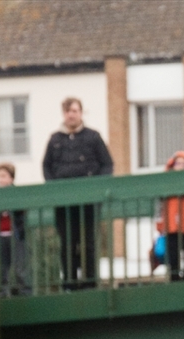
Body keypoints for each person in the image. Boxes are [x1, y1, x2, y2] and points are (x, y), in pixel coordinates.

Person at [42, 97, 113, 289]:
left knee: (89, 242)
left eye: (74, 111)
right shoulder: (55, 139)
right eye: (67, 111)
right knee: (67, 243)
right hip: (64, 202)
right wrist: (54, 187)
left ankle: (90, 281)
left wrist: (97, 187)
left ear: (81, 113)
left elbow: (107, 164)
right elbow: (46, 166)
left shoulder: (93, 137)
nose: (71, 115)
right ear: (63, 114)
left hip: (89, 200)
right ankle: (70, 282)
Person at [0, 163, 30, 296]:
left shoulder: (17, 193)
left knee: (20, 267)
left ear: (11, 178)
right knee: (2, 268)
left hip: (16, 234)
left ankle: (24, 292)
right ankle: (3, 293)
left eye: (4, 176)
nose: (0, 179)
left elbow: (22, 211)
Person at [162, 151, 184, 281]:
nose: (181, 167)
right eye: (178, 163)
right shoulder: (166, 182)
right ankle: (174, 275)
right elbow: (160, 203)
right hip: (171, 222)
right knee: (173, 251)